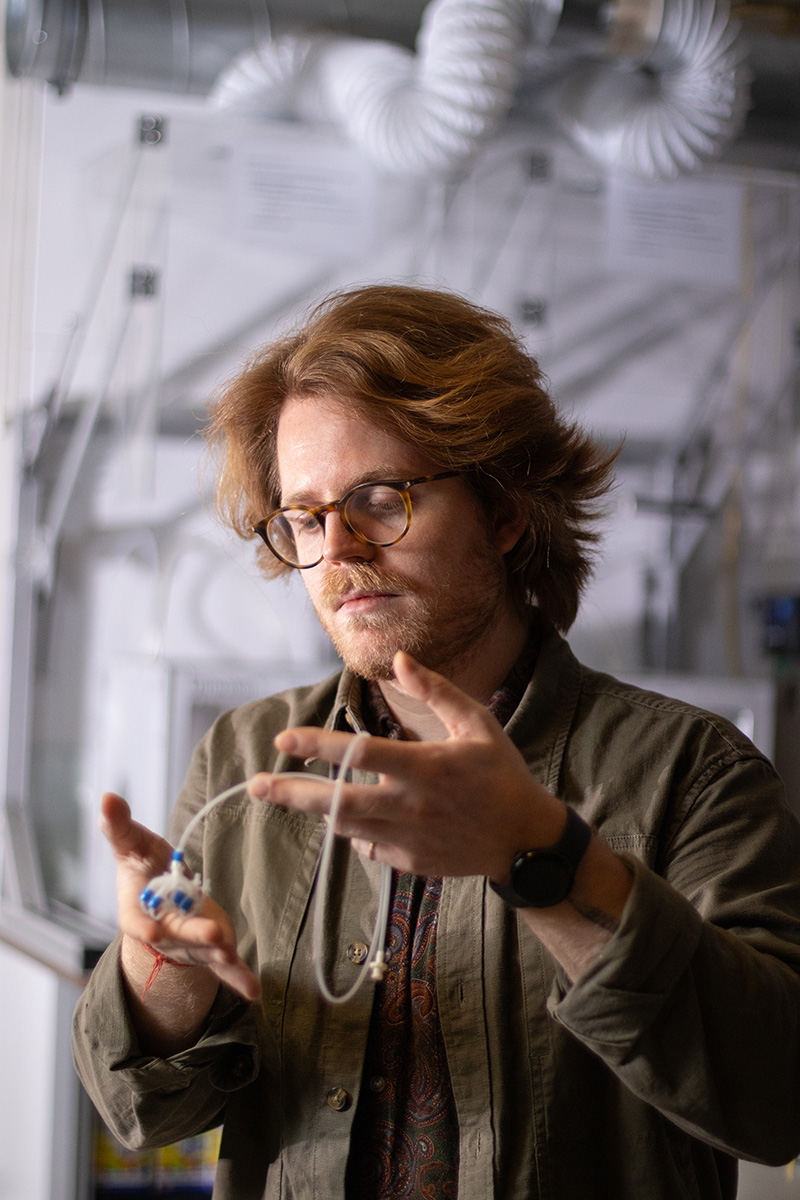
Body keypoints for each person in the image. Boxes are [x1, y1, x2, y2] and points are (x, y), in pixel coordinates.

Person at [73, 283, 800, 1200]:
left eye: (381, 498)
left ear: (505, 512)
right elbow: (139, 1112)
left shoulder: (690, 771)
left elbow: (776, 1102)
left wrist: (542, 855)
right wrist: (163, 974)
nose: (338, 549)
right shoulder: (250, 756)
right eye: (305, 516)